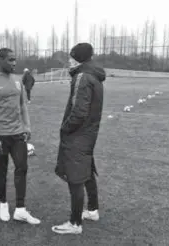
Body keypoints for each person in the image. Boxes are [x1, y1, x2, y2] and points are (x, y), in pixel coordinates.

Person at [0, 48, 40, 225]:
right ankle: (3, 203)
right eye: (11, 60)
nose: (14, 63)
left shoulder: (17, 81)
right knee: (2, 170)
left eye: (15, 60)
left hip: (18, 134)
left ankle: (20, 210)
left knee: (22, 168)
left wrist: (27, 126)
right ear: (0, 60)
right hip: (1, 136)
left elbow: (23, 106)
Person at [52, 43, 106, 234]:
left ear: (78, 58)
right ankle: (92, 210)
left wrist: (65, 129)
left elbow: (79, 112)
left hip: (79, 135)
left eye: (71, 57)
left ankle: (75, 224)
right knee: (87, 171)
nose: (68, 60)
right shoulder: (94, 76)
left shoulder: (82, 77)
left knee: (76, 177)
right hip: (89, 134)